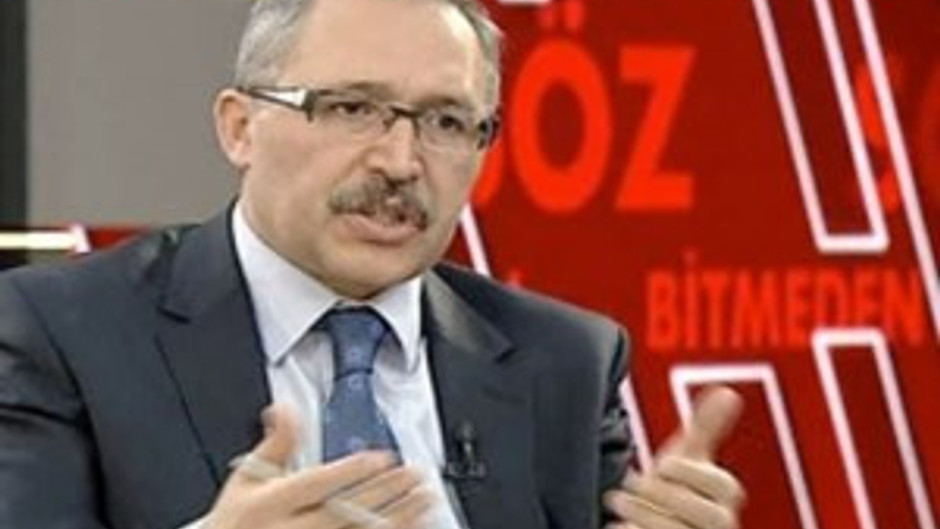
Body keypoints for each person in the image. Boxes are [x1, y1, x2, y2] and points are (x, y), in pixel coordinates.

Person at [0, 0, 744, 527]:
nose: (400, 161)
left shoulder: (564, 363)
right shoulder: (61, 333)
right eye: (352, 108)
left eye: (445, 121)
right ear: (239, 128)